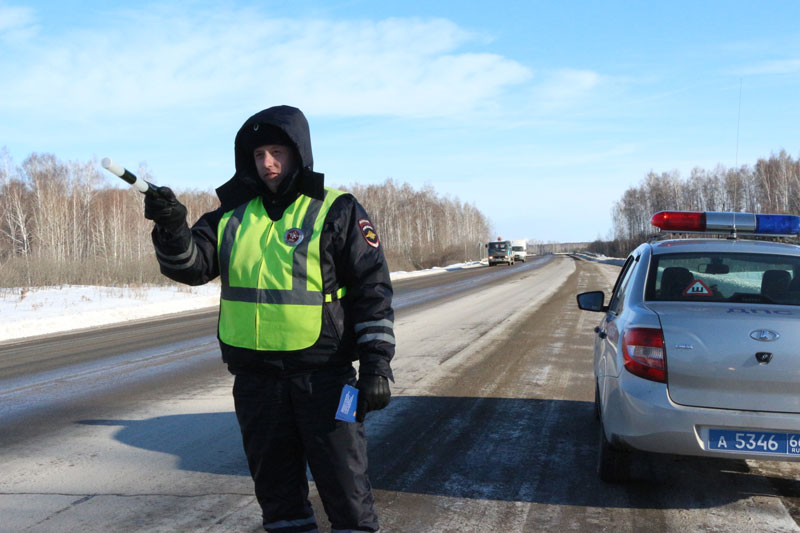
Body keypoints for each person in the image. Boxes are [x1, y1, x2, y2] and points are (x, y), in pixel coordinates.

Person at [143, 105, 394, 533]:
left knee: (347, 493)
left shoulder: (337, 209)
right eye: (259, 155)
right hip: (257, 382)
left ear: (299, 153)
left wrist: (376, 365)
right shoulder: (231, 215)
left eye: (277, 152)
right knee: (278, 502)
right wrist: (171, 228)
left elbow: (373, 290)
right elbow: (190, 267)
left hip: (325, 378)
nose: (268, 164)